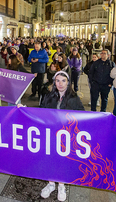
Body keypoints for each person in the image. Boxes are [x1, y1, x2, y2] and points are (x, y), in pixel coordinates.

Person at [39, 71, 84, 201]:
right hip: (51, 134)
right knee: (50, 159)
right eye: (57, 81)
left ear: (68, 82)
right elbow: (40, 111)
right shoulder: (49, 96)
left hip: (66, 136)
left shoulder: (74, 98)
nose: (60, 83)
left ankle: (62, 185)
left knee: (63, 161)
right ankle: (51, 183)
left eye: (63, 80)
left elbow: (82, 116)